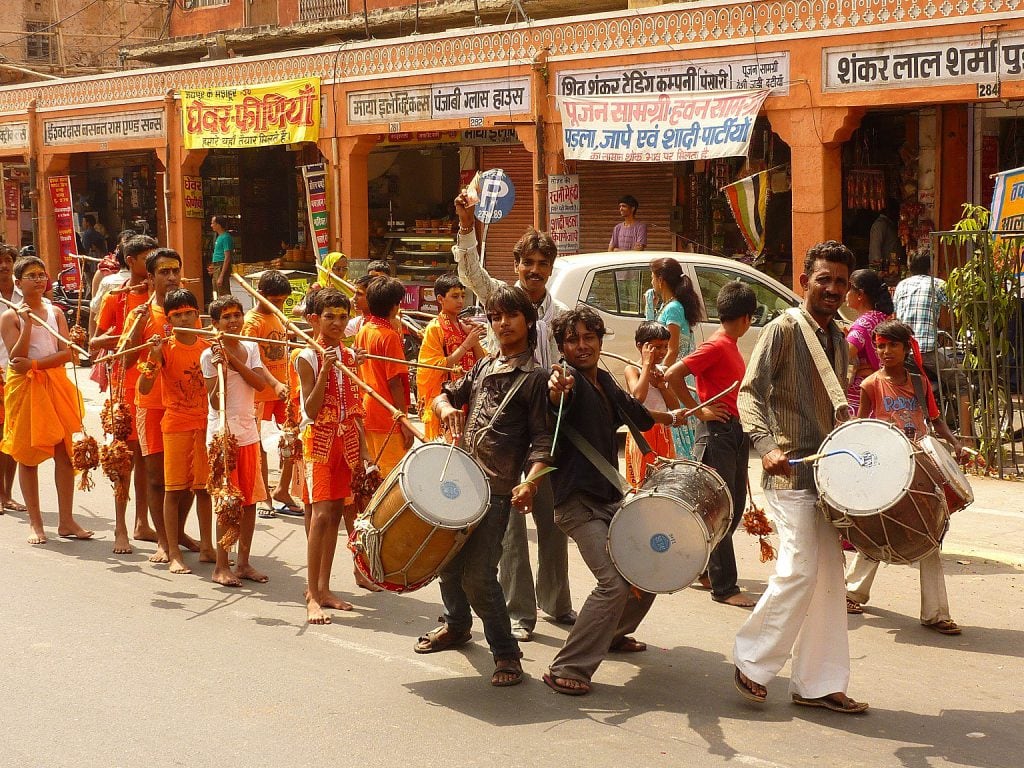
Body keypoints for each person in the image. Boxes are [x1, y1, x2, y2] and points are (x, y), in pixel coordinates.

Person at [732, 240, 869, 715]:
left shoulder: (839, 337)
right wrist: (766, 447)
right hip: (789, 474)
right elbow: (749, 395)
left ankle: (818, 683)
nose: (832, 288)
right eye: (823, 279)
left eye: (839, 282)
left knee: (831, 582)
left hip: (828, 479)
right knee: (798, 570)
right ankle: (751, 661)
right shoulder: (783, 329)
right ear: (803, 281)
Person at [453, 190, 575, 641]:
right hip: (503, 432)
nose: (535, 271)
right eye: (528, 263)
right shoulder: (499, 300)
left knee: (553, 520)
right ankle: (519, 613)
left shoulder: (561, 314)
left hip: (547, 430)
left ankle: (557, 604)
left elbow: (574, 361)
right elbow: (469, 272)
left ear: (551, 268)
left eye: (543, 264)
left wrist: (567, 385)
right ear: (518, 265)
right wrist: (468, 226)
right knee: (509, 530)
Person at [416, 285, 552, 688]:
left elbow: (544, 440)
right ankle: (457, 625)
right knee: (446, 561)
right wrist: (444, 410)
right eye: (495, 317)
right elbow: (444, 395)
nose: (502, 323)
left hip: (496, 489)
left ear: (528, 322)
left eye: (510, 316)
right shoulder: (483, 367)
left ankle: (506, 652)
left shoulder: (537, 378)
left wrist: (530, 483)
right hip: (459, 480)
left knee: (478, 575)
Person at [543, 306, 680, 696]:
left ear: (601, 341)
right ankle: (567, 666)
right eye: (572, 340)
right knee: (614, 584)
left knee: (651, 565)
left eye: (589, 337)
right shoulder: (565, 380)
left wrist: (675, 417)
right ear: (562, 347)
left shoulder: (603, 378)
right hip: (577, 502)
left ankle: (612, 633)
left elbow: (637, 413)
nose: (582, 345)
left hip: (609, 496)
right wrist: (556, 389)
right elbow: (556, 397)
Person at [845, 319, 963, 635]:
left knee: (929, 535)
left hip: (921, 469)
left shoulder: (920, 382)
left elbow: (936, 422)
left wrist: (954, 444)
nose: (884, 351)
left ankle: (935, 613)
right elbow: (862, 427)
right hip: (887, 467)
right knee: (876, 530)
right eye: (880, 346)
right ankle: (852, 592)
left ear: (905, 347)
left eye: (891, 345)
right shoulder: (870, 385)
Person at [665, 280, 759, 609]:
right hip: (716, 434)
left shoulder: (727, 345)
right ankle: (725, 587)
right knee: (723, 509)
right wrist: (697, 409)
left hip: (732, 432)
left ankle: (705, 568)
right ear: (747, 317)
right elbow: (673, 374)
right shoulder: (718, 346)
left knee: (731, 508)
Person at [121, 247, 205, 564]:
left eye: (175, 271)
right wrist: (135, 331)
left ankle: (177, 533)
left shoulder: (189, 311)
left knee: (185, 480)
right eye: (164, 272)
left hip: (188, 406)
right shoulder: (140, 314)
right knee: (158, 478)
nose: (171, 277)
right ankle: (163, 541)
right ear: (152, 276)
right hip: (152, 404)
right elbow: (127, 362)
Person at [0, 255, 91, 545]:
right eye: (31, 275)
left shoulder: (56, 312)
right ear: (18, 282)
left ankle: (66, 520)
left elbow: (68, 353)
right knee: (28, 457)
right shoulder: (10, 316)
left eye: (41, 274)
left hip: (54, 385)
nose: (39, 280)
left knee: (65, 454)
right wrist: (26, 324)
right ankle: (36, 523)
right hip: (25, 389)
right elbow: (16, 358)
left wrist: (38, 366)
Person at [296, 287, 372, 623]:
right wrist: (326, 369)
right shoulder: (306, 356)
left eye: (343, 317)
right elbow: (310, 410)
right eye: (330, 317)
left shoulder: (351, 355)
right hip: (320, 441)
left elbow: (355, 409)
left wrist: (365, 452)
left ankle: (324, 588)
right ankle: (312, 594)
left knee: (340, 515)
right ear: (314, 319)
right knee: (321, 515)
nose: (338, 323)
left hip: (348, 443)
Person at [89, 234, 159, 553]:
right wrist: (126, 336)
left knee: (147, 458)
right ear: (131, 262)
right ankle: (120, 527)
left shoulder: (164, 294)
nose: (154, 264)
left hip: (157, 384)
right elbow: (96, 341)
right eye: (148, 258)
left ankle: (143, 523)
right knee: (124, 458)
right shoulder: (116, 296)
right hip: (125, 384)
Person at [137, 288, 213, 577]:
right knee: (174, 489)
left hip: (205, 424)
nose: (184, 318)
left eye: (188, 313)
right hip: (176, 425)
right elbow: (144, 389)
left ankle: (207, 546)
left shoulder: (207, 345)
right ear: (169, 320)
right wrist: (152, 359)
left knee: (204, 489)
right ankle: (173, 550)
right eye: (177, 315)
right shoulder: (164, 348)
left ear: (197, 314)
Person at [202, 297, 269, 585]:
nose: (233, 321)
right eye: (226, 317)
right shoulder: (208, 356)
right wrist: (221, 369)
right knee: (227, 500)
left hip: (249, 433)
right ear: (215, 324)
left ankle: (243, 562)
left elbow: (259, 383)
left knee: (250, 500)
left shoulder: (251, 348)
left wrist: (234, 362)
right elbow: (215, 402)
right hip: (222, 435)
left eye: (236, 315)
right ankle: (221, 564)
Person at [893, 253, 971, 438]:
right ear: (930, 268)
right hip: (925, 350)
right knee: (962, 385)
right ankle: (968, 438)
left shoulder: (901, 286)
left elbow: (898, 314)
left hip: (903, 350)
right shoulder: (938, 284)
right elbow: (958, 306)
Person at [242, 270, 299, 519]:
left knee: (292, 439)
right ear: (260, 294)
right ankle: (263, 495)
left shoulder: (277, 317)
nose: (279, 306)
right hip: (260, 392)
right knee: (258, 447)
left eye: (283, 301)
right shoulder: (250, 322)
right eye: (275, 301)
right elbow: (252, 360)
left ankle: (282, 490)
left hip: (282, 389)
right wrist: (274, 383)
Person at [415, 273, 485, 441]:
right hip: (444, 399)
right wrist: (467, 344)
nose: (460, 301)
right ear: (440, 299)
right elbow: (434, 367)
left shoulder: (464, 325)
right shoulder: (435, 328)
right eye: (455, 296)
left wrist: (473, 340)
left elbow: (482, 362)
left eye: (463, 296)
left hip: (467, 395)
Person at [354, 276, 412, 476]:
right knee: (390, 473)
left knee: (373, 468)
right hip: (387, 412)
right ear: (395, 306)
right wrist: (403, 419)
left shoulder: (365, 330)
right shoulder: (389, 336)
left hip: (367, 407)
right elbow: (395, 381)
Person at [650, 256, 703, 459]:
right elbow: (651, 333)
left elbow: (672, 349)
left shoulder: (673, 308)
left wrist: (660, 373)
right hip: (674, 372)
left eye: (652, 278)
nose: (651, 283)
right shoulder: (669, 305)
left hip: (676, 374)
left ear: (661, 279)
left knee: (680, 424)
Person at [623, 321, 677, 489]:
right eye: (656, 347)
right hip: (642, 433)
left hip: (663, 431)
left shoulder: (663, 371)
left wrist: (662, 386)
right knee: (643, 480)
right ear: (641, 346)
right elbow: (638, 398)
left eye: (665, 347)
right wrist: (646, 366)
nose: (661, 352)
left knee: (665, 479)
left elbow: (674, 405)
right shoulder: (633, 370)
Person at [845, 268, 895, 415]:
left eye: (849, 289)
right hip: (882, 393)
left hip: (860, 398)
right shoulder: (882, 318)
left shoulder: (863, 324)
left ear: (860, 294)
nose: (846, 294)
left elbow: (844, 354)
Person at [0, 244, 25, 513]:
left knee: (13, 437)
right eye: (0, 261)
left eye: (8, 260)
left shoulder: (23, 296)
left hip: (19, 374)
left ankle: (7, 493)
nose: (4, 265)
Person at [868, 199, 901, 268]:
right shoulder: (880, 225)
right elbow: (875, 250)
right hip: (884, 271)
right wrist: (878, 271)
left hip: (892, 268)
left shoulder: (890, 224)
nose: (898, 214)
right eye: (895, 210)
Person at [208, 215, 234, 296]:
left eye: (213, 223)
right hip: (217, 266)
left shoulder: (226, 237)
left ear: (218, 224)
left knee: (223, 291)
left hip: (221, 266)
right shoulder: (219, 237)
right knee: (216, 290)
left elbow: (227, 257)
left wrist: (222, 275)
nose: (211, 225)